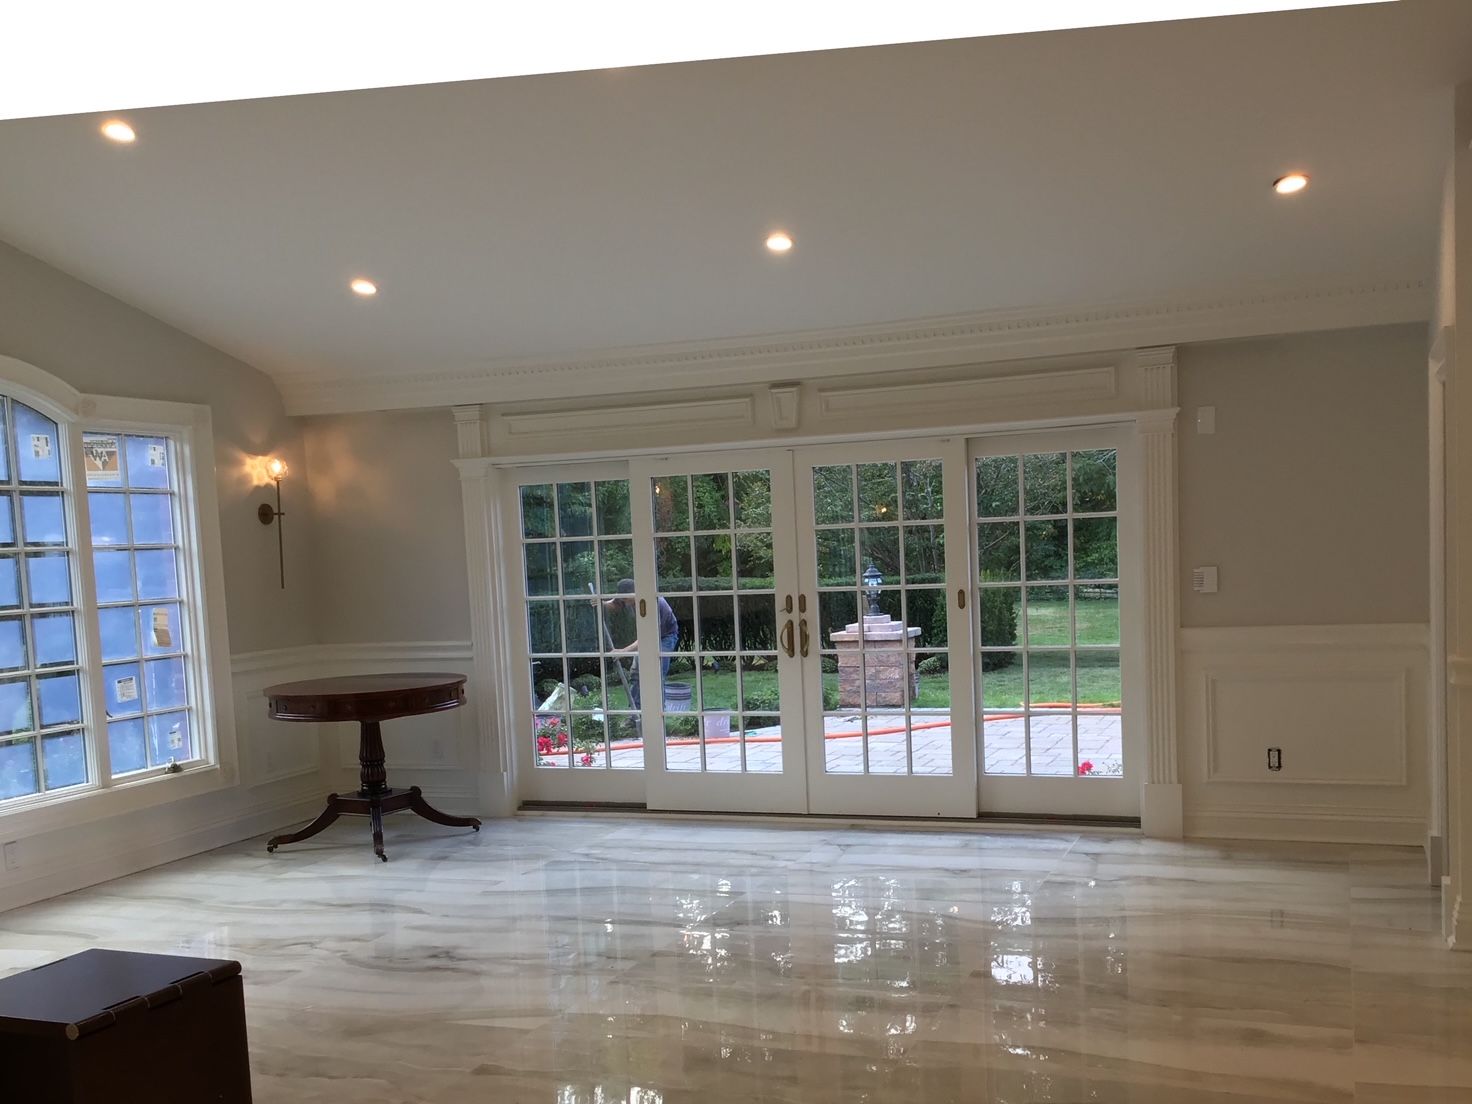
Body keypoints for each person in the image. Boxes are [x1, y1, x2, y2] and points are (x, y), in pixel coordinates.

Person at [600, 579, 680, 709]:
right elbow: (614, 604)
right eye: (623, 599)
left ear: (635, 592)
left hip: (665, 637)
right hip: (648, 635)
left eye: (625, 599)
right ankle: (635, 714)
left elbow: (649, 636)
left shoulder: (654, 603)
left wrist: (623, 651)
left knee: (656, 674)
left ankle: (658, 713)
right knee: (637, 674)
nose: (624, 602)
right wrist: (600, 602)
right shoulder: (629, 597)